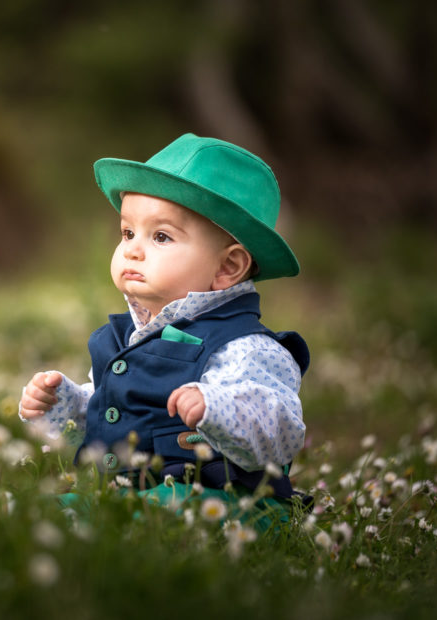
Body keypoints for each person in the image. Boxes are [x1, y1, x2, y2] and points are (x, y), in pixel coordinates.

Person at [19, 133, 310, 519]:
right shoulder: (127, 338)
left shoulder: (246, 348)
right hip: (127, 494)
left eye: (160, 236)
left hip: (222, 501)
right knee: (41, 513)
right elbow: (116, 415)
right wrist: (66, 403)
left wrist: (217, 406)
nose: (132, 249)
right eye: (127, 233)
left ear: (228, 267)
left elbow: (280, 432)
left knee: (163, 509)